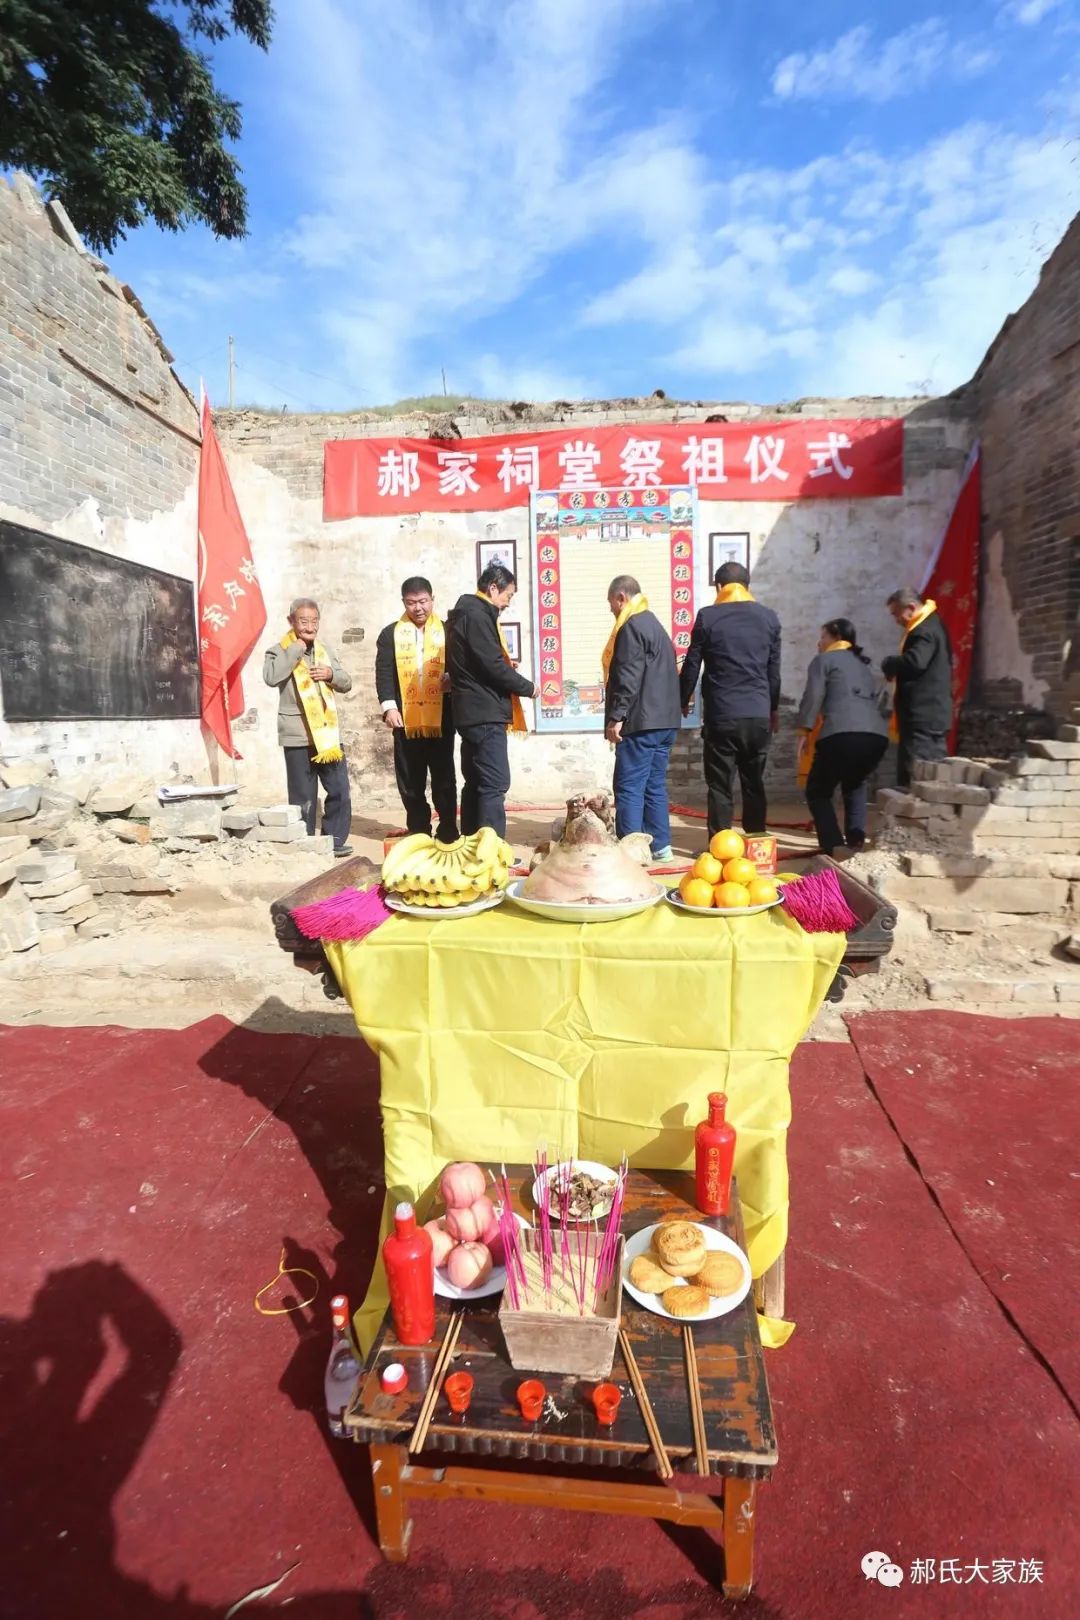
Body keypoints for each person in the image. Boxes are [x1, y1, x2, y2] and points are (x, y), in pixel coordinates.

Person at [678, 561, 781, 837]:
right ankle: (757, 844)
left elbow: (692, 664)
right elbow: (774, 672)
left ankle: (721, 849)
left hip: (722, 715)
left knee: (720, 785)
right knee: (754, 783)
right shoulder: (769, 618)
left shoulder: (708, 617)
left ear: (720, 587)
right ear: (747, 587)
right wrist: (772, 710)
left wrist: (682, 699)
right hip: (758, 715)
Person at [446, 563, 535, 839]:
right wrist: (527, 688)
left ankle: (472, 843)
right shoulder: (476, 615)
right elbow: (491, 665)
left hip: (469, 710)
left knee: (475, 782)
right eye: (507, 595)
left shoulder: (464, 613)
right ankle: (492, 850)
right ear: (493, 588)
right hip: (484, 712)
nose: (508, 602)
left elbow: (479, 662)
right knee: (494, 783)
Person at [262, 597, 353, 856]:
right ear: (291, 621)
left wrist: (331, 674)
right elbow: (271, 677)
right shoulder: (278, 650)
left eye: (314, 621)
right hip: (297, 735)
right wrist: (295, 651)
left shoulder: (326, 651)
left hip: (327, 735)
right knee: (304, 797)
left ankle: (333, 841)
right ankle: (305, 845)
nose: (309, 626)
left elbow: (346, 682)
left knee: (340, 791)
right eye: (303, 621)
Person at [602, 575, 681, 861]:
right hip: (665, 722)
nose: (611, 608)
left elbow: (628, 675)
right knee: (654, 785)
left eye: (611, 602)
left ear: (621, 597)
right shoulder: (655, 625)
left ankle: (630, 854)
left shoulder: (631, 626)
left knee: (629, 786)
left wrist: (617, 716)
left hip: (642, 722)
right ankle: (661, 846)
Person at [795, 618, 890, 856]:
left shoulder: (824, 660)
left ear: (835, 636)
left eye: (823, 636)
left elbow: (813, 696)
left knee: (817, 790)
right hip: (876, 736)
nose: (820, 642)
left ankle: (833, 845)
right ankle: (855, 841)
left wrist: (804, 730)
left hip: (841, 733)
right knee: (855, 785)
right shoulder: (863, 666)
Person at [375, 576, 458, 841]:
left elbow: (459, 665)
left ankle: (447, 828)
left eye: (423, 601)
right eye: (411, 603)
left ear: (432, 600)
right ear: (404, 603)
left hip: (441, 718)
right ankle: (419, 829)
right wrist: (389, 707)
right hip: (405, 718)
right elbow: (384, 672)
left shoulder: (447, 631)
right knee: (411, 779)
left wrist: (452, 678)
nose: (418, 608)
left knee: (444, 776)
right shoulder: (390, 634)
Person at [881, 588, 953, 787]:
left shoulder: (924, 630)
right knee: (931, 771)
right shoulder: (933, 624)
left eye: (897, 614)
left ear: (911, 608)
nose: (897, 620)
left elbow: (916, 662)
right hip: (931, 715)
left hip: (923, 715)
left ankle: (916, 815)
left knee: (918, 775)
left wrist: (890, 663)